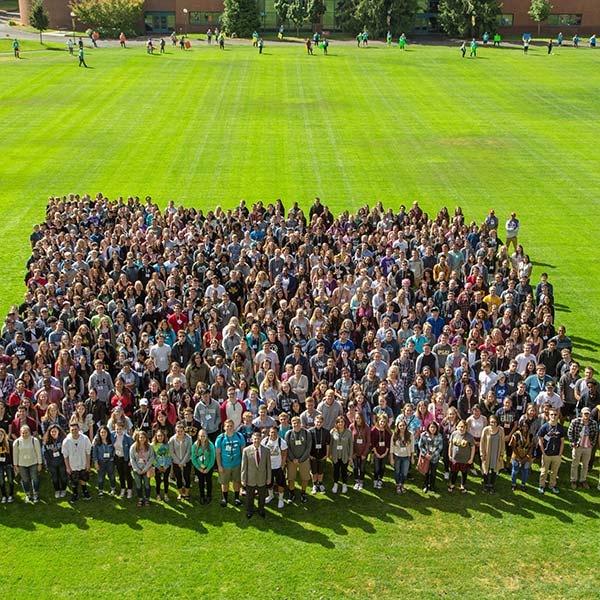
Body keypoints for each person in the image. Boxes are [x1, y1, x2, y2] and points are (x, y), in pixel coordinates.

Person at [241, 431, 271, 519]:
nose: (256, 441)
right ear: (251, 439)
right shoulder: (246, 450)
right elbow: (244, 466)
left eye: (258, 439)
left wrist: (268, 478)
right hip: (250, 478)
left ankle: (261, 510)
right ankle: (250, 511)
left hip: (262, 478)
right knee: (249, 497)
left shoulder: (266, 450)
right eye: (254, 439)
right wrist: (243, 479)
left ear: (261, 439)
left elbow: (268, 465)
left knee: (262, 496)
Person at [215, 419, 244, 507]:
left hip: (237, 463)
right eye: (227, 426)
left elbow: (243, 451)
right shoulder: (220, 438)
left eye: (231, 426)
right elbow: (218, 453)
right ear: (224, 427)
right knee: (225, 482)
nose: (229, 428)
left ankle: (236, 498)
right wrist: (219, 466)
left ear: (234, 427)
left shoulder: (239, 436)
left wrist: (243, 464)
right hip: (225, 465)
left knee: (237, 481)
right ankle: (225, 498)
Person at [567, 407, 598, 489]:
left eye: (588, 414)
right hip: (578, 446)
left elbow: (595, 434)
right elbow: (570, 432)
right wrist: (572, 443)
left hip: (588, 447)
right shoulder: (575, 422)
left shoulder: (593, 423)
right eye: (585, 414)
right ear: (581, 414)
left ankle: (583, 480)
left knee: (585, 465)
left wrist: (592, 444)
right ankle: (573, 480)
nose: (586, 416)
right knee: (575, 464)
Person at [537, 408, 565, 494]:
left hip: (556, 454)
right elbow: (540, 439)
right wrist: (543, 452)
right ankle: (541, 486)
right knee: (544, 471)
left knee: (554, 472)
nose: (553, 416)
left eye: (555, 415)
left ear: (558, 416)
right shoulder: (545, 426)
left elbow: (562, 441)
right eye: (551, 414)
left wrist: (560, 454)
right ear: (549, 416)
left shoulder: (560, 427)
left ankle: (552, 485)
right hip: (546, 453)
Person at [62, 421, 92, 502]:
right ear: (69, 430)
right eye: (72, 430)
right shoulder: (66, 441)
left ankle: (85, 491)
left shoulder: (85, 439)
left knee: (83, 478)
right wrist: (67, 467)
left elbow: (88, 452)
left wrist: (88, 464)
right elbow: (65, 456)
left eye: (75, 429)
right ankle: (75, 494)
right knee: (74, 481)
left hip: (83, 463)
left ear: (79, 429)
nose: (74, 431)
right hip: (73, 465)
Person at [285, 416, 311, 504]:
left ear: (301, 423)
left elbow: (308, 448)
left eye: (298, 423)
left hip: (303, 460)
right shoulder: (288, 433)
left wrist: (300, 459)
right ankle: (291, 494)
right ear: (291, 424)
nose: (296, 425)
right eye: (294, 423)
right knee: (291, 478)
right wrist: (293, 459)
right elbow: (287, 448)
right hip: (291, 460)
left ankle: (303, 493)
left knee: (305, 478)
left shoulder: (307, 433)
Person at [448, 420, 475, 493]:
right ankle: (452, 484)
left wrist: (471, 459)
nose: (461, 428)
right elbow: (450, 445)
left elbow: (473, 448)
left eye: (463, 427)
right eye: (460, 426)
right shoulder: (454, 434)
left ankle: (462, 485)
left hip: (465, 460)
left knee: (464, 473)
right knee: (454, 472)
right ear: (457, 427)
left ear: (466, 428)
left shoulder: (469, 436)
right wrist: (449, 454)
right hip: (455, 459)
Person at [480, 415, 505, 493]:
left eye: (494, 422)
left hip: (496, 454)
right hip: (487, 454)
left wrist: (501, 454)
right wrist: (482, 454)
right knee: (485, 469)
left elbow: (502, 443)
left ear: (497, 422)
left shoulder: (501, 430)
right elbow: (482, 442)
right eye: (491, 422)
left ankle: (492, 485)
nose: (493, 424)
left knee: (494, 470)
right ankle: (485, 484)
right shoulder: (485, 430)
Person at [130, 430, 155, 507]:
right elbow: (132, 459)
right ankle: (140, 498)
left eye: (143, 437)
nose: (142, 439)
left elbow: (151, 458)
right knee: (138, 485)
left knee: (147, 485)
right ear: (138, 438)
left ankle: (147, 499)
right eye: (140, 437)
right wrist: (137, 469)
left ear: (146, 438)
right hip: (137, 470)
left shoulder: (150, 447)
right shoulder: (133, 447)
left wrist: (145, 469)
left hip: (146, 469)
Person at [329, 416, 353, 494]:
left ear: (344, 423)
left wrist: (350, 456)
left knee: (344, 470)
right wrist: (330, 454)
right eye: (339, 422)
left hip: (344, 454)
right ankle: (335, 484)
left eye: (342, 422)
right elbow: (330, 444)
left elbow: (351, 445)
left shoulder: (348, 432)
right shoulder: (332, 431)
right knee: (335, 470)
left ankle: (344, 485)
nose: (340, 423)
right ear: (336, 423)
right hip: (335, 454)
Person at [169, 422, 192, 500]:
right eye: (178, 431)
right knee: (178, 478)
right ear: (176, 431)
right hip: (176, 462)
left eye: (181, 431)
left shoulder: (188, 438)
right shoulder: (172, 439)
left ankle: (187, 493)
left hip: (187, 461)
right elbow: (171, 452)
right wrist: (178, 462)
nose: (180, 433)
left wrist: (183, 462)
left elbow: (189, 451)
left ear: (184, 431)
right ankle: (180, 493)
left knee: (187, 477)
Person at [191, 429, 216, 504]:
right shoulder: (195, 445)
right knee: (201, 482)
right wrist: (199, 468)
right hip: (199, 468)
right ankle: (202, 496)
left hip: (208, 467)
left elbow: (212, 458)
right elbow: (193, 458)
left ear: (206, 436)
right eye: (201, 436)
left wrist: (208, 468)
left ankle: (209, 495)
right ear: (198, 436)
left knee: (208, 481)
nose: (202, 437)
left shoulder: (210, 445)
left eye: (204, 436)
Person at [509, 421, 534, 491]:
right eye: (523, 426)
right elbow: (513, 446)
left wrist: (527, 457)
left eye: (526, 426)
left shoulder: (531, 435)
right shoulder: (516, 435)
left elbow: (531, 447)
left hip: (526, 457)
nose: (524, 428)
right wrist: (519, 458)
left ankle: (523, 485)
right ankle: (513, 484)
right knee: (515, 470)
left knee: (525, 471)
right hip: (516, 456)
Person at [390, 419, 414, 494]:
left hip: (406, 456)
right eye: (400, 425)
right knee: (397, 471)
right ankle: (398, 485)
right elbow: (391, 447)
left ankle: (402, 484)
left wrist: (412, 457)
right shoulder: (394, 434)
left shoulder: (410, 435)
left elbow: (412, 447)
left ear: (406, 426)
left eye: (403, 425)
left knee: (404, 472)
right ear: (397, 426)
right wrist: (391, 458)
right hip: (397, 456)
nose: (402, 427)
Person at [92, 425, 116, 497]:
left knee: (111, 475)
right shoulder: (96, 441)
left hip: (110, 461)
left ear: (107, 433)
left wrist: (113, 458)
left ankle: (113, 489)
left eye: (105, 432)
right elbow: (94, 453)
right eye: (101, 432)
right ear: (99, 433)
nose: (103, 434)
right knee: (100, 477)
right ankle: (100, 490)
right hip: (100, 461)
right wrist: (95, 463)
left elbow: (115, 449)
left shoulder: (111, 439)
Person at [419, 421, 443, 493]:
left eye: (434, 427)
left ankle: (432, 486)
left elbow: (440, 447)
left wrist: (432, 455)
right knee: (426, 472)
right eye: (431, 427)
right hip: (426, 457)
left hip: (434, 458)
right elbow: (420, 446)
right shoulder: (424, 435)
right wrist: (426, 454)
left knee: (433, 473)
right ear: (428, 428)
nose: (433, 429)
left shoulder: (439, 436)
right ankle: (426, 485)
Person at [111, 423, 133, 498]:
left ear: (123, 429)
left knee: (128, 474)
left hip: (125, 458)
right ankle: (123, 488)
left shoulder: (127, 438)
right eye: (117, 429)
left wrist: (130, 460)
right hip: (117, 458)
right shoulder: (113, 435)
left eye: (120, 429)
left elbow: (132, 450)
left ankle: (129, 489)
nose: (118, 430)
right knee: (120, 474)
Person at [309, 414, 329, 494]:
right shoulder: (310, 431)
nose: (319, 423)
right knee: (314, 471)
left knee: (320, 471)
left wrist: (327, 454)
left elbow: (328, 444)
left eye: (320, 422)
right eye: (317, 422)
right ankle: (314, 484)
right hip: (313, 454)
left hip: (322, 454)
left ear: (323, 423)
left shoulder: (326, 432)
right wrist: (309, 455)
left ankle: (320, 483)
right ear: (314, 422)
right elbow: (307, 445)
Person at [0, 428, 15, 502]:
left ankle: (11, 495)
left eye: (1, 435)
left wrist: (14, 465)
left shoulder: (9, 443)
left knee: (10, 480)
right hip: (0, 465)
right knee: (1, 481)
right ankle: (4, 495)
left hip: (8, 464)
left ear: (4, 435)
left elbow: (13, 455)